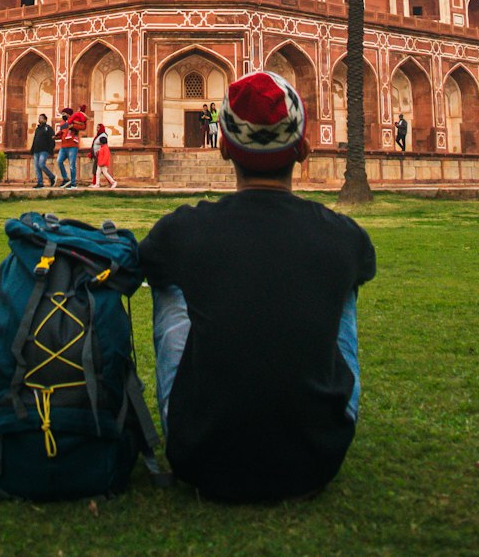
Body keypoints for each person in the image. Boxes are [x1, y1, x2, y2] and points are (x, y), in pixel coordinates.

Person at [139, 70, 376, 503]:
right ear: (304, 148)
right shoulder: (345, 235)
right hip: (317, 459)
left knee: (168, 278)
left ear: (225, 148)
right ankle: (317, 407)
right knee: (343, 278)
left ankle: (207, 406)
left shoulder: (184, 229)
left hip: (200, 457)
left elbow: (141, 263)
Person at [30, 113, 56, 188]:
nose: (39, 119)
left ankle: (52, 176)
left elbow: (52, 139)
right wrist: (32, 149)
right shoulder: (37, 129)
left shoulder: (48, 128)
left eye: (41, 118)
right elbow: (35, 140)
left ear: (45, 120)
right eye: (39, 118)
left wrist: (51, 149)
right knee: (37, 167)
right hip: (36, 150)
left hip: (44, 150)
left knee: (41, 164)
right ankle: (40, 182)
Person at [94, 125, 118, 189]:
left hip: (103, 163)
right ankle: (97, 184)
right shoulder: (102, 147)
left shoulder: (105, 148)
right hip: (100, 163)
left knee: (105, 173)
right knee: (97, 173)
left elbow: (106, 156)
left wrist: (103, 163)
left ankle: (113, 182)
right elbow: (101, 154)